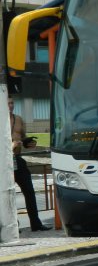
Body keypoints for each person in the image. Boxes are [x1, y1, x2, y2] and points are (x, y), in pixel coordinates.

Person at [9, 97, 50, 231]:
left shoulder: (18, 119)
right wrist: (11, 145)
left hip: (17, 159)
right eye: (8, 103)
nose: (11, 106)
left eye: (12, 103)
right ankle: (13, 226)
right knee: (7, 195)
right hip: (4, 161)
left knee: (29, 191)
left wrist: (28, 142)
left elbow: (22, 138)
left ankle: (36, 224)